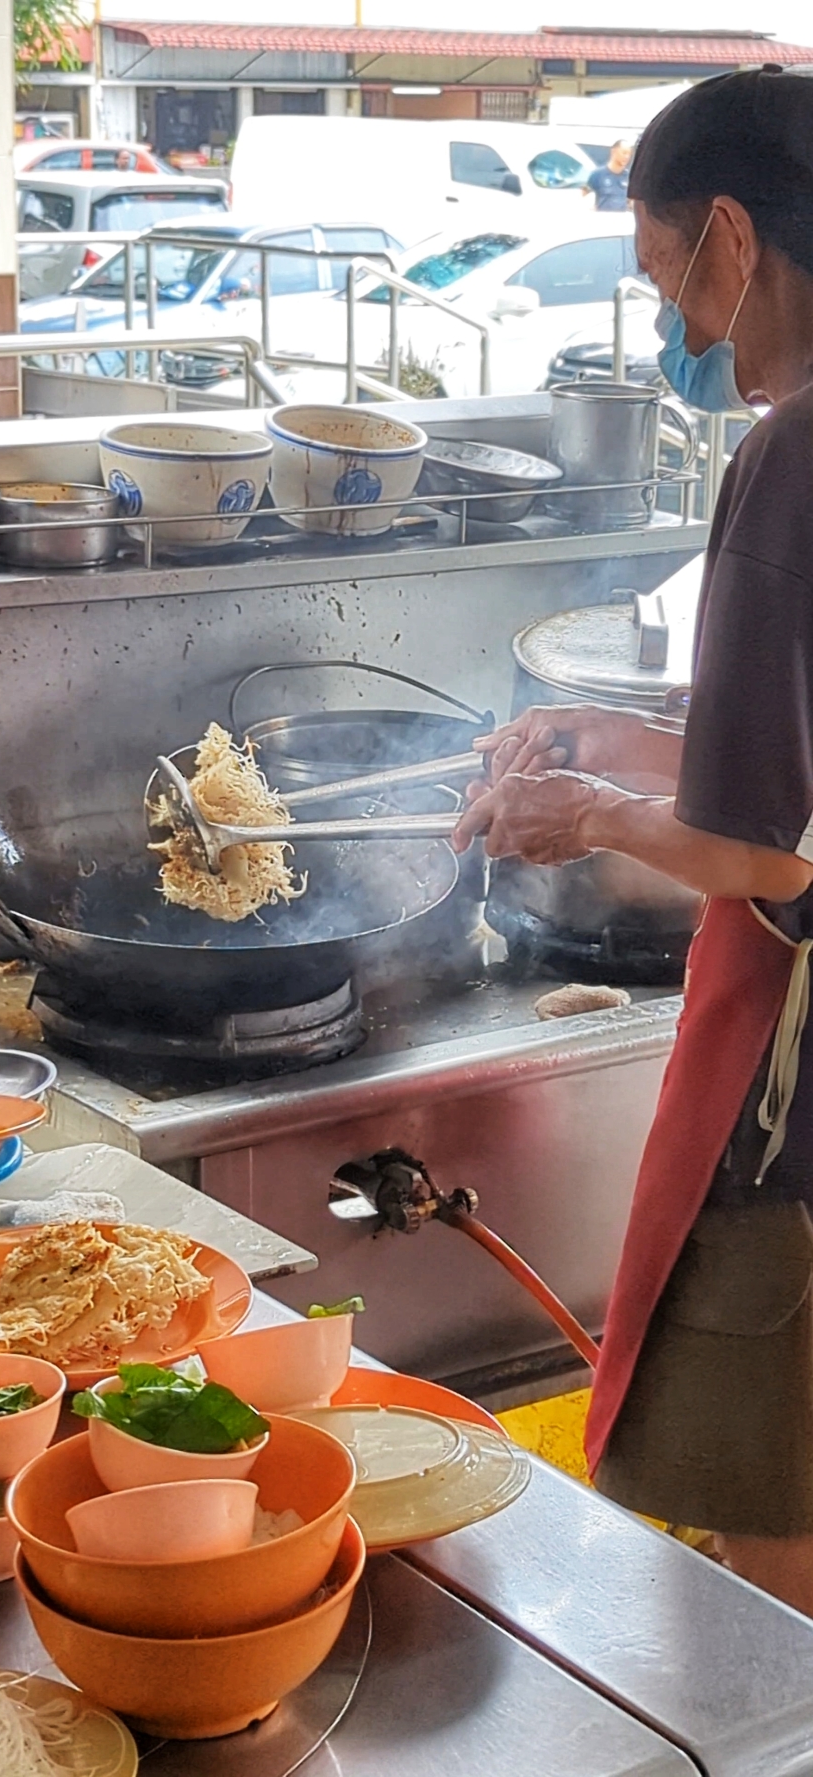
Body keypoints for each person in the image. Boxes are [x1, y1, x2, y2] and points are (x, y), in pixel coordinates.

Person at [452, 67, 813, 1615]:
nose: (678, 324)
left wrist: (586, 815)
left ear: (732, 236)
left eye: (670, 278)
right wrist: (606, 739)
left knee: (773, 1532)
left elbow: (767, 860)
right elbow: (790, 793)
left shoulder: (791, 457)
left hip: (799, 1118)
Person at [586, 141, 633, 210]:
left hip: (622, 216)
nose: (627, 157)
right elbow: (583, 197)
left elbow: (632, 202)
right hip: (603, 216)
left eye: (629, 154)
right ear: (613, 152)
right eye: (624, 153)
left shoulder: (629, 177)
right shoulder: (597, 175)